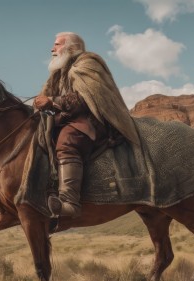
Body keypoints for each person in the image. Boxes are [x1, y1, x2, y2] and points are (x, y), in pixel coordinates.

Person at [33, 32, 141, 218]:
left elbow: (85, 99)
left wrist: (52, 102)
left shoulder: (87, 64)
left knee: (68, 140)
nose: (52, 49)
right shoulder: (59, 72)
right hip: (70, 117)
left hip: (94, 120)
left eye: (57, 44)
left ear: (71, 48)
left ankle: (69, 203)